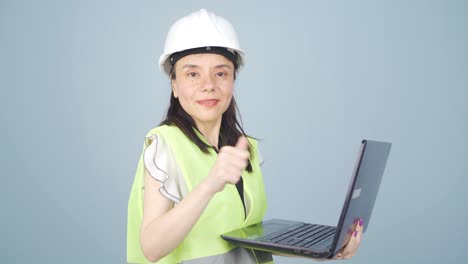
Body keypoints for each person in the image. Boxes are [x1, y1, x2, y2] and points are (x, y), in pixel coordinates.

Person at [127, 8, 363, 264]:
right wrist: (210, 184)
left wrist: (322, 249)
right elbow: (151, 247)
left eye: (221, 73)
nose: (209, 85)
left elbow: (242, 241)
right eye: (192, 74)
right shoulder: (164, 144)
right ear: (174, 85)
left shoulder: (243, 148)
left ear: (232, 81)